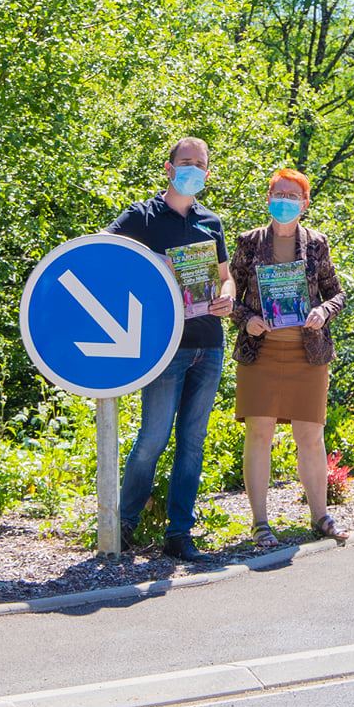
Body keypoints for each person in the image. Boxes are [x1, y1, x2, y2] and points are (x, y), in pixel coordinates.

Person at [109, 137, 236, 561]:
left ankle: (179, 533)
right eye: (185, 163)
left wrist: (229, 296)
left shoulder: (211, 222)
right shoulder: (142, 216)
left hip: (209, 345)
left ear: (208, 173)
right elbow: (103, 250)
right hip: (165, 346)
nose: (192, 170)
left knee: (192, 444)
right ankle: (122, 526)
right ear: (168, 168)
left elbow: (226, 276)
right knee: (152, 439)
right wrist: (154, 265)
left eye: (200, 164)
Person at [233, 168, 349, 546]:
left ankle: (320, 517)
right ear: (267, 199)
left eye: (292, 195)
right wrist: (246, 318)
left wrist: (323, 312)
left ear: (305, 203)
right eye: (277, 193)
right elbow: (227, 296)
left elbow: (337, 294)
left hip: (308, 354)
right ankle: (260, 524)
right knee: (260, 433)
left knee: (311, 436)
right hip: (261, 353)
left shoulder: (317, 243)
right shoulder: (248, 243)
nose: (284, 201)